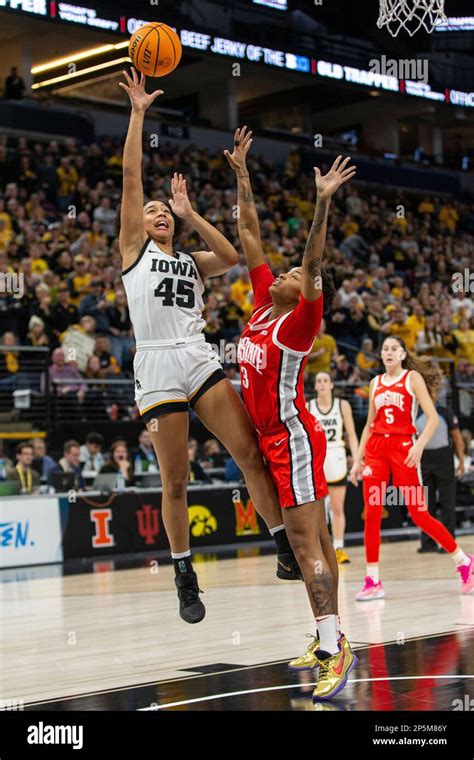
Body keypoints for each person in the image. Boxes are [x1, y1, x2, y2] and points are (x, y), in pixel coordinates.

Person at [118, 70, 301, 625]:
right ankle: (183, 574)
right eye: (153, 211)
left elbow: (229, 256)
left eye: (164, 211)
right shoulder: (132, 250)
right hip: (154, 363)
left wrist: (193, 212)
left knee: (248, 453)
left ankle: (283, 548)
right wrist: (138, 112)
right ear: (140, 223)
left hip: (197, 356)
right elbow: (130, 174)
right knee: (175, 479)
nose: (159, 213)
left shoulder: (189, 260)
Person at [226, 125, 358, 701]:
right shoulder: (261, 306)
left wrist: (322, 203)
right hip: (275, 440)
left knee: (306, 550)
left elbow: (312, 258)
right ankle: (329, 634)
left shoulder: (299, 323)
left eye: (292, 275)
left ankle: (334, 648)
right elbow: (249, 232)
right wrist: (242, 173)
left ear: (304, 289)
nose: (279, 272)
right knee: (316, 549)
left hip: (295, 441)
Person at [350, 336, 474, 600]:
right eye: (385, 349)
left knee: (419, 514)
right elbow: (369, 425)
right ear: (381, 355)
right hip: (376, 452)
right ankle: (373, 580)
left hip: (403, 451)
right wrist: (357, 460)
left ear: (403, 354)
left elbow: (431, 418)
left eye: (394, 348)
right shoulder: (374, 383)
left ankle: (463, 561)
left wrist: (418, 446)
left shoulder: (411, 379)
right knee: (372, 512)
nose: (389, 352)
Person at [307, 371, 359, 563]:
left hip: (336, 456)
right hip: (317, 460)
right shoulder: (308, 406)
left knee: (337, 508)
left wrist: (356, 459)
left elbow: (352, 434)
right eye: (318, 381)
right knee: (316, 511)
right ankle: (319, 549)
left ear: (331, 385)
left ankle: (338, 547)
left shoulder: (342, 405)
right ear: (315, 387)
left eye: (325, 380)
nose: (322, 384)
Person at [416, 380, 465, 553]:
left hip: (444, 459)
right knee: (424, 505)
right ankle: (427, 543)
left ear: (436, 395)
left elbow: (458, 438)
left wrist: (460, 461)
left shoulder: (445, 412)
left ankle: (448, 543)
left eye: (432, 393)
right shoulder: (415, 414)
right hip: (423, 461)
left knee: (447, 503)